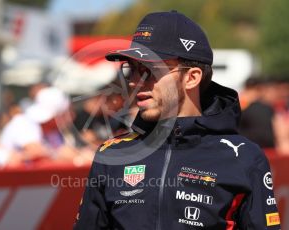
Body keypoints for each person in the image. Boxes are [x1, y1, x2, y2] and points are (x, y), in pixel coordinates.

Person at [74, 11, 281, 229]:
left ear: (191, 78)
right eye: (132, 70)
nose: (135, 82)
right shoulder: (112, 154)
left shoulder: (243, 157)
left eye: (150, 70)